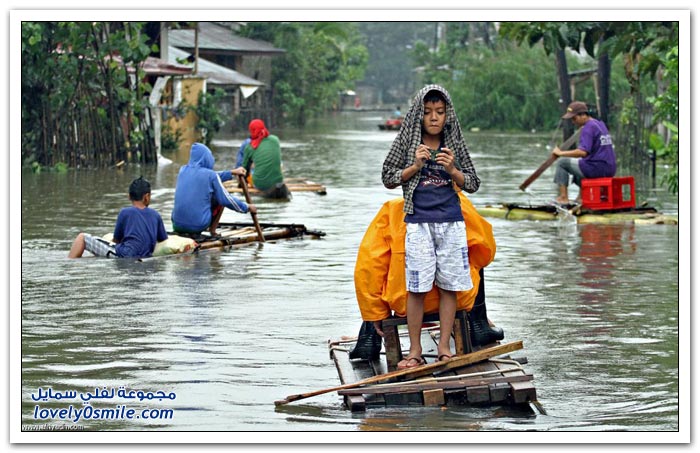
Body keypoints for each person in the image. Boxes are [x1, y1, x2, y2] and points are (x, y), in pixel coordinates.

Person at [381, 84, 480, 369]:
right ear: (418, 115)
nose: (434, 117)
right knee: (417, 287)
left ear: (447, 115)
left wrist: (453, 170)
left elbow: (473, 183)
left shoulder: (454, 142)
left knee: (449, 286)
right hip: (418, 223)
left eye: (439, 112)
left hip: (451, 223)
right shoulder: (407, 141)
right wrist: (414, 166)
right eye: (427, 112)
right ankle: (414, 351)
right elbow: (387, 177)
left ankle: (444, 348)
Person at [349, 194, 503, 362]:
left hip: (404, 301)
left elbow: (368, 267)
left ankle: (368, 338)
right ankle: (479, 325)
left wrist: (377, 314)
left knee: (377, 268)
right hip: (457, 298)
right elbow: (486, 251)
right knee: (471, 256)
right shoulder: (457, 201)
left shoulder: (393, 209)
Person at [68, 177, 168, 259]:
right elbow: (162, 239)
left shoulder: (125, 212)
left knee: (82, 238)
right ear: (147, 196)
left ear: (129, 196)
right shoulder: (156, 215)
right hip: (144, 257)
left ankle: (69, 264)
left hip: (124, 254)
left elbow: (116, 240)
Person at [171, 142, 256, 236]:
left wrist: (232, 172)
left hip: (176, 225)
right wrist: (247, 207)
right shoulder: (210, 175)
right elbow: (226, 200)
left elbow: (212, 176)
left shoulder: (182, 170)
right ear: (207, 158)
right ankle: (213, 231)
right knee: (220, 196)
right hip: (198, 225)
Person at [552, 101, 617, 204]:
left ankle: (563, 198)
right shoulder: (600, 124)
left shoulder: (588, 127)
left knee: (562, 163)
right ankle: (580, 197)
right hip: (610, 168)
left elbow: (582, 152)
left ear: (583, 115)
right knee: (580, 163)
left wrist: (560, 153)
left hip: (597, 169)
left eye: (574, 118)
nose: (573, 122)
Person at [237, 119, 290, 199]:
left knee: (249, 172)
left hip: (260, 185)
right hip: (278, 181)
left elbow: (244, 171)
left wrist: (241, 185)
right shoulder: (275, 140)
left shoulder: (249, 147)